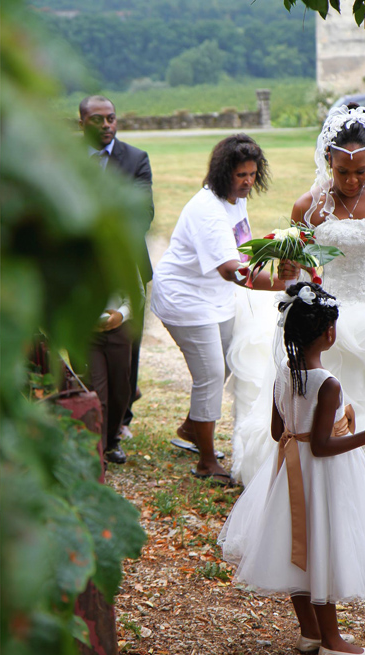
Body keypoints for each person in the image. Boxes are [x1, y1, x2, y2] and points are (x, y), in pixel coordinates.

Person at [229, 105, 365, 529]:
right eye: (343, 171)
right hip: (332, 322)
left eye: (361, 171)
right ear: (327, 159)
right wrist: (291, 276)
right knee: (327, 408)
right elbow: (302, 281)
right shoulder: (307, 207)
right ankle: (332, 502)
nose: (352, 181)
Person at [218, 282, 365, 655]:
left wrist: (306, 432)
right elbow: (322, 446)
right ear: (329, 332)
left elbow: (278, 432)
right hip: (323, 478)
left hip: (289, 473)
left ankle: (310, 631)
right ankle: (332, 642)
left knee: (296, 549)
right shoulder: (327, 383)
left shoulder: (284, 372)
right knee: (322, 548)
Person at [149, 134, 296, 483]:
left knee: (226, 361)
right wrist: (283, 283)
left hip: (216, 297)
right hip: (184, 299)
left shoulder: (235, 199)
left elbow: (242, 251)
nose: (247, 182)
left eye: (252, 174)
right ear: (222, 173)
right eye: (240, 175)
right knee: (211, 374)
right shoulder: (208, 211)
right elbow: (233, 271)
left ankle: (191, 426)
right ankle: (206, 461)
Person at [79, 95, 153, 463]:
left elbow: (142, 213)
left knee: (125, 353)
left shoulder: (135, 159)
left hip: (126, 267)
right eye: (98, 119)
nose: (107, 124)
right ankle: (90, 424)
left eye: (111, 118)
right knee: (87, 356)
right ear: (82, 123)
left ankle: (120, 423)